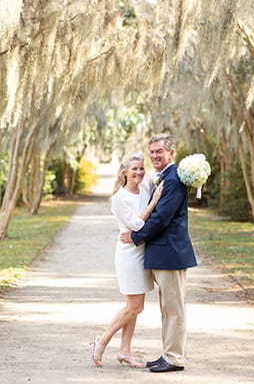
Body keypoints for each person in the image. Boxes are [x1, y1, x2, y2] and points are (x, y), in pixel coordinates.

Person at [120, 134, 197, 373]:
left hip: (171, 254)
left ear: (171, 153)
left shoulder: (173, 179)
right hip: (163, 254)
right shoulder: (164, 177)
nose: (154, 155)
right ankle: (168, 354)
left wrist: (135, 236)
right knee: (167, 308)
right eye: (151, 151)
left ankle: (175, 358)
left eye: (159, 151)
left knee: (174, 309)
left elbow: (161, 218)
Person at [90, 152, 163, 368]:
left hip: (142, 252)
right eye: (135, 169)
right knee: (134, 306)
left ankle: (125, 351)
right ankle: (101, 341)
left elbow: (163, 174)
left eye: (142, 168)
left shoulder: (146, 185)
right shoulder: (119, 198)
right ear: (125, 172)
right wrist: (154, 202)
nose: (139, 172)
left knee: (136, 307)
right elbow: (137, 225)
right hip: (129, 255)